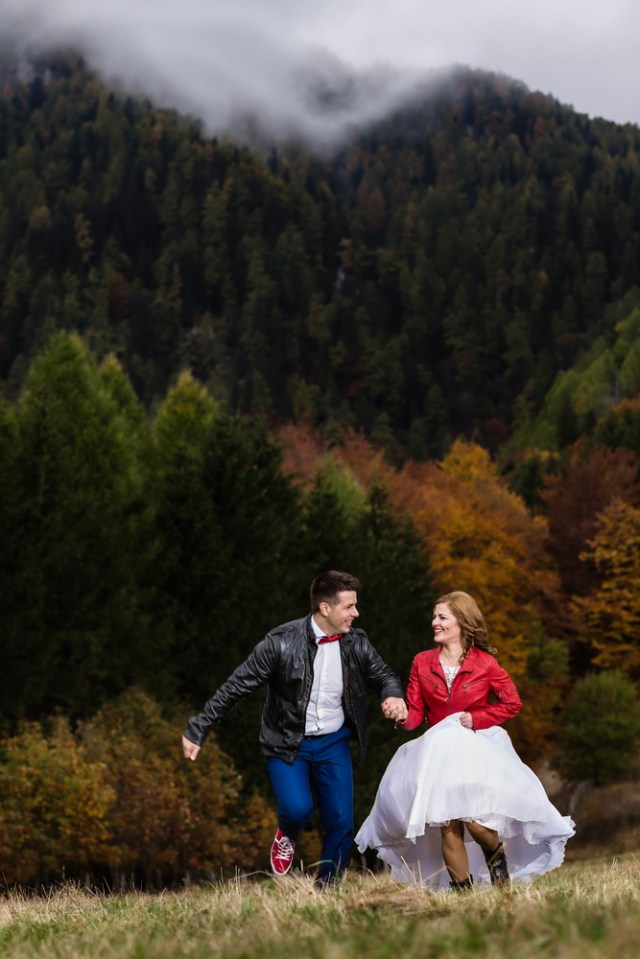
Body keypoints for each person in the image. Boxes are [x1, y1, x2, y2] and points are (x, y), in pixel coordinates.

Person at [182, 570, 407, 887]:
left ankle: (326, 889)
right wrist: (198, 727)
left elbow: (384, 675)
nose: (356, 613)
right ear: (325, 609)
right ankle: (286, 834)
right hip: (286, 742)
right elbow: (236, 686)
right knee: (297, 808)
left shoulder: (357, 642)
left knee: (341, 822)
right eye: (349, 606)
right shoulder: (280, 643)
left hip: (333, 743)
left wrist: (392, 695)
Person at [355, 591, 575, 890]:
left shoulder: (485, 663)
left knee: (476, 821)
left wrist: (477, 718)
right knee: (448, 823)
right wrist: (400, 714)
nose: (435, 622)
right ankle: (464, 896)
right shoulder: (422, 662)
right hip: (438, 750)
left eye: (442, 617)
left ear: (462, 622)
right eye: (434, 616)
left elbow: (512, 703)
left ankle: (499, 872)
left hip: (477, 745)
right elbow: (417, 714)